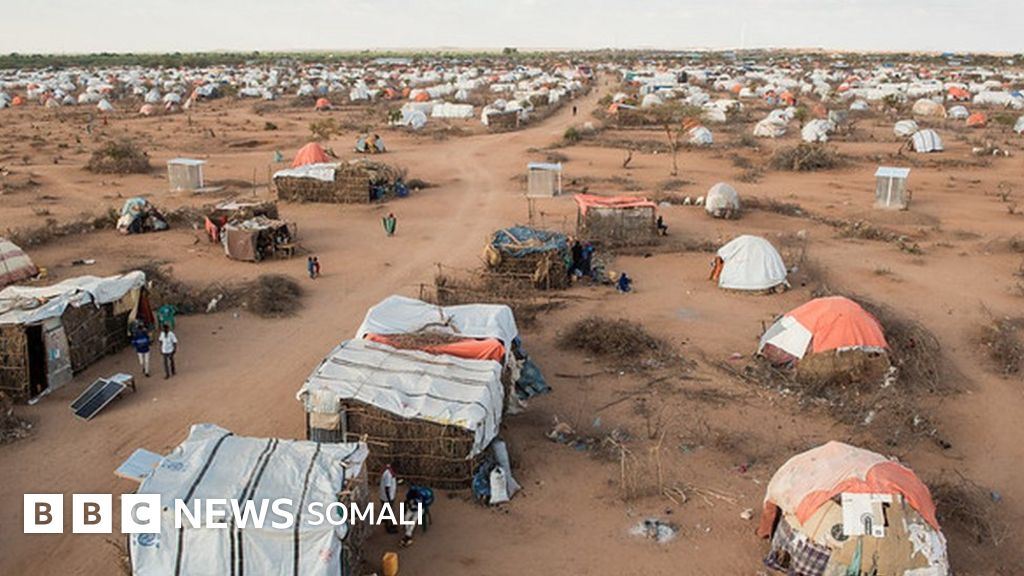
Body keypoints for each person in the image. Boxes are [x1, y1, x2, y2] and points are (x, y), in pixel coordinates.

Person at [380, 464, 399, 534]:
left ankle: (389, 523)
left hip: (386, 496)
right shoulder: (388, 475)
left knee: (387, 511)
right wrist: (389, 499)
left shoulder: (389, 472)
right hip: (387, 497)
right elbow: (387, 488)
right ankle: (388, 528)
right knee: (389, 512)